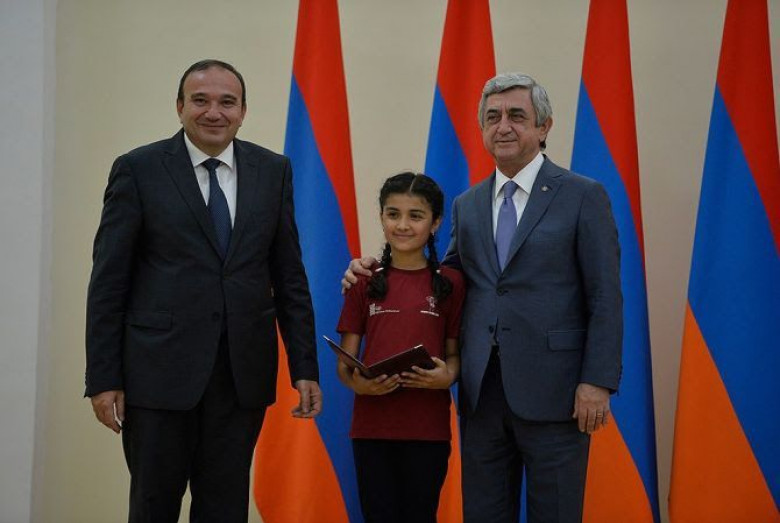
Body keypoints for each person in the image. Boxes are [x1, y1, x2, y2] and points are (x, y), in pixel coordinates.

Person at [343, 73, 622, 522]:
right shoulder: (468, 204)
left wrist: (598, 381)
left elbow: (605, 294)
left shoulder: (582, 195)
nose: (503, 126)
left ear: (544, 126)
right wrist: (372, 267)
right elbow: (445, 277)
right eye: (493, 117)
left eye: (517, 116)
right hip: (481, 394)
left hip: (558, 392)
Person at [85, 59, 322, 522]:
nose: (214, 112)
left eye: (227, 102)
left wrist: (304, 367)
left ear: (243, 111)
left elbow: (289, 277)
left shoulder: (273, 171)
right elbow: (109, 282)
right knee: (153, 506)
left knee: (225, 509)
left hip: (240, 377)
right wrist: (103, 377)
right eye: (200, 100)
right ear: (179, 107)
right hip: (157, 377)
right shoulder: (138, 169)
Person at [336, 172, 465, 523]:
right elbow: (345, 363)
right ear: (381, 217)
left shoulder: (451, 283)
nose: (403, 225)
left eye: (416, 216)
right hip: (371, 428)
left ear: (435, 223)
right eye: (393, 214)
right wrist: (359, 384)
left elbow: (454, 354)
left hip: (428, 429)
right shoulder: (363, 281)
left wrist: (447, 376)